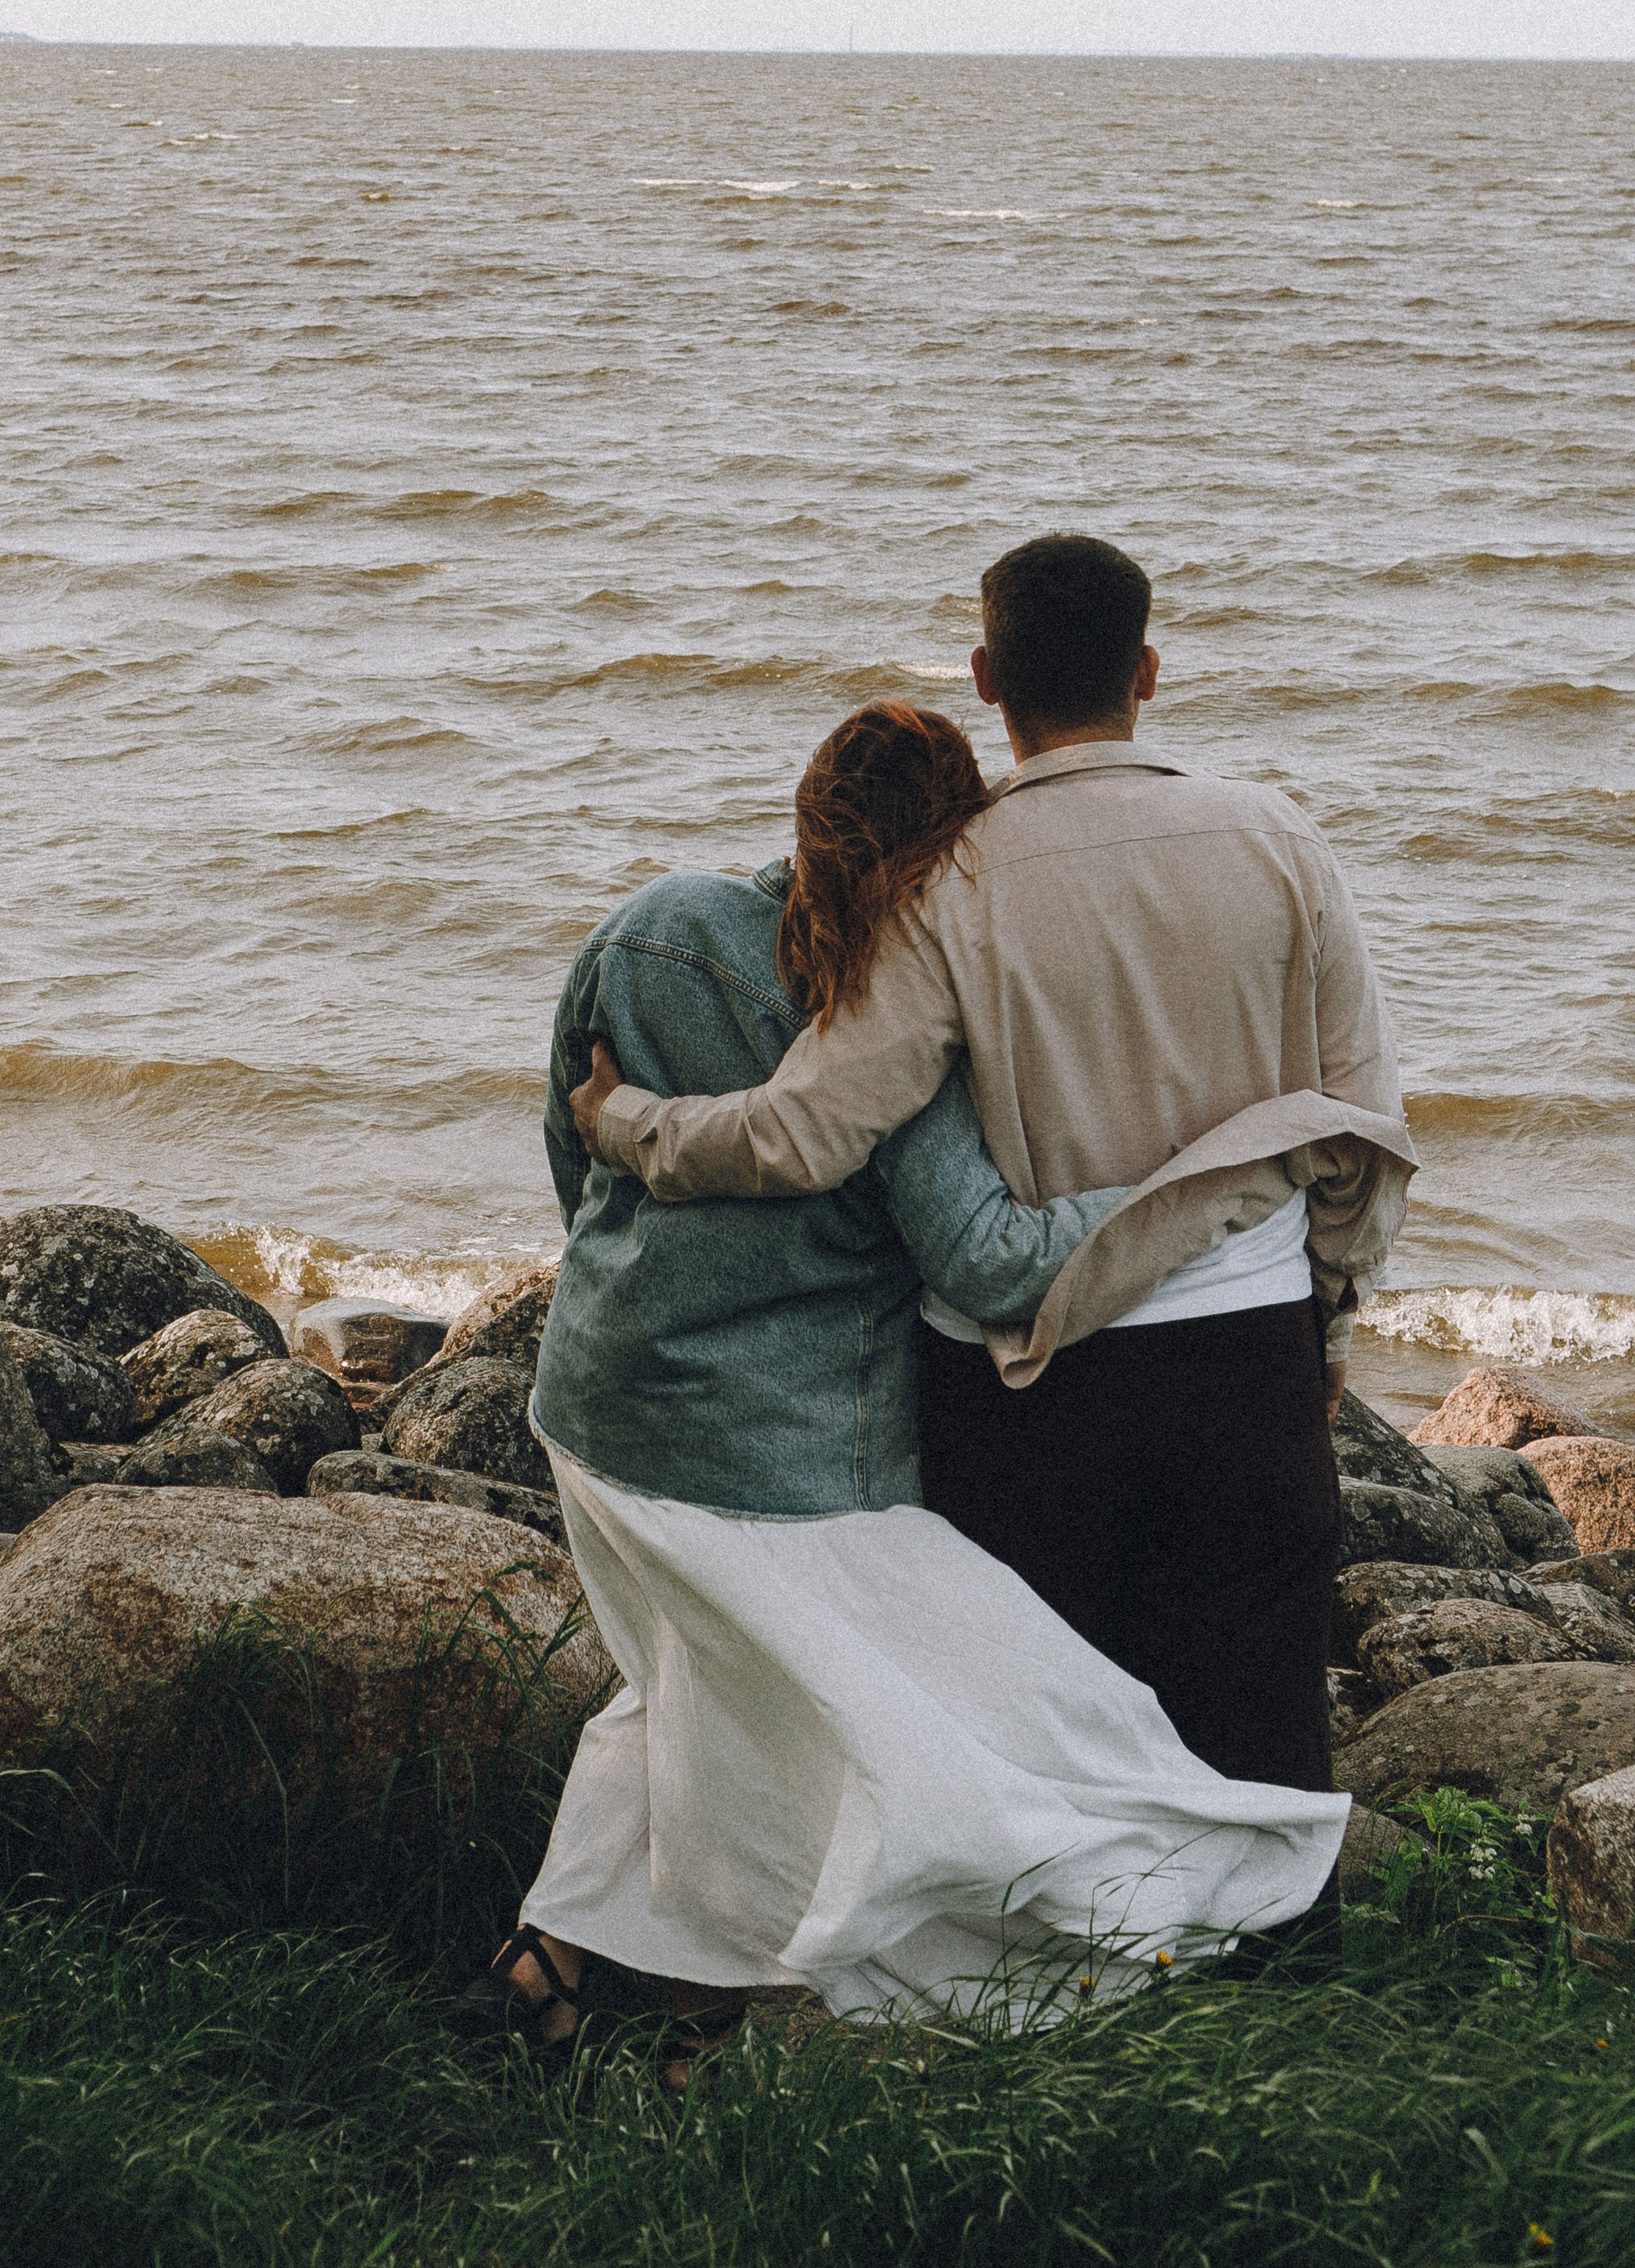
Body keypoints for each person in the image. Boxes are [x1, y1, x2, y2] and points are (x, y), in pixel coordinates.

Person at [479, 699, 1350, 2072]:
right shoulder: (895, 1029)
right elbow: (993, 1262)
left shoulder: (651, 924)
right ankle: (741, 2009)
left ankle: (565, 1962)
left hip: (593, 1401)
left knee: (689, 1685)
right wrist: (1215, 1181)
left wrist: (637, 1290)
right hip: (781, 1458)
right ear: (955, 850)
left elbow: (569, 1141)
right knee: (932, 1727)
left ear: (807, 805)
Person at [575, 536, 1414, 1814]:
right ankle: (1278, 1982)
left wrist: (627, 1120)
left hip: (1026, 1391)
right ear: (1147, 671)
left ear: (985, 677)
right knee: (1263, 1740)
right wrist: (1330, 1316)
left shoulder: (943, 888)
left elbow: (802, 1134)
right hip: (1245, 1352)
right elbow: (1362, 1128)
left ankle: (1069, 1998)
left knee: (1037, 1747)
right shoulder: (1283, 843)